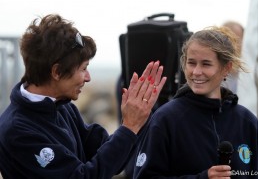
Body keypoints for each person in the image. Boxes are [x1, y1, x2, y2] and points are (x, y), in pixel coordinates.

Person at [0, 14, 167, 179]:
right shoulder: (17, 131)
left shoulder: (62, 106)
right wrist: (129, 127)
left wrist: (137, 119)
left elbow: (113, 160)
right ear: (57, 72)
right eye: (83, 69)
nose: (88, 77)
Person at [133, 26, 258, 178]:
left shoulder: (247, 122)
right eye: (191, 63)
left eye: (206, 64)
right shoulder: (165, 120)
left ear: (226, 68)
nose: (197, 72)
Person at [221, 21, 244, 93]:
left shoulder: (252, 72)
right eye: (228, 39)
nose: (232, 45)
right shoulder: (212, 71)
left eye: (236, 40)